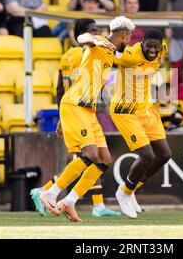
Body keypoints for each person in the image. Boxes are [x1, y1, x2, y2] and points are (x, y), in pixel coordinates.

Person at [39, 16, 134, 222]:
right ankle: (50, 193)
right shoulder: (96, 44)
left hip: (89, 109)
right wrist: (97, 39)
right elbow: (82, 38)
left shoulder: (112, 53)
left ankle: (70, 201)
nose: (130, 40)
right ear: (123, 34)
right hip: (75, 105)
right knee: (89, 154)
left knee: (105, 159)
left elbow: (128, 60)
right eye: (129, 36)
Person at [110, 29, 172, 218]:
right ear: (142, 43)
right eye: (149, 45)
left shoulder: (161, 50)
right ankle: (124, 193)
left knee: (164, 155)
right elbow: (112, 52)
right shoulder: (129, 56)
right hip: (125, 110)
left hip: (146, 109)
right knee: (146, 156)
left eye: (156, 46)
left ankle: (131, 188)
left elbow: (159, 53)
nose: (152, 50)